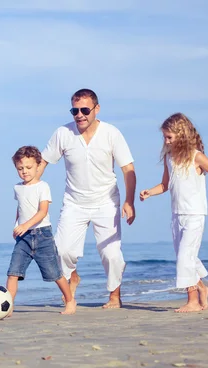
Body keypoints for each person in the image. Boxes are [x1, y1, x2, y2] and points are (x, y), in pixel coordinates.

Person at [39, 88, 136, 308]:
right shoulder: (63, 133)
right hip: (74, 202)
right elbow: (44, 161)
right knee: (61, 251)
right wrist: (30, 187)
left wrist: (130, 201)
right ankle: (73, 277)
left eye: (84, 109)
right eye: (75, 110)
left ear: (96, 109)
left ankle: (114, 297)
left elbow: (128, 168)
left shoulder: (112, 133)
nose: (80, 115)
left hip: (106, 202)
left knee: (111, 254)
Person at [139, 113, 208, 313]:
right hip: (177, 215)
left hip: (195, 214)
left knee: (186, 257)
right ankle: (203, 289)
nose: (166, 141)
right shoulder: (169, 158)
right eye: (165, 137)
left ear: (182, 135)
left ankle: (193, 300)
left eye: (169, 137)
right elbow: (165, 184)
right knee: (186, 257)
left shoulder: (197, 157)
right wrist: (149, 193)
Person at [6, 146, 76, 316]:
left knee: (55, 273)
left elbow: (42, 212)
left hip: (42, 235)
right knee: (13, 273)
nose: (24, 172)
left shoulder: (43, 186)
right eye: (20, 168)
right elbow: (20, 208)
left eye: (28, 168)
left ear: (38, 166)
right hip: (23, 238)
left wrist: (25, 225)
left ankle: (69, 300)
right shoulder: (18, 187)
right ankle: (8, 305)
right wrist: (17, 225)